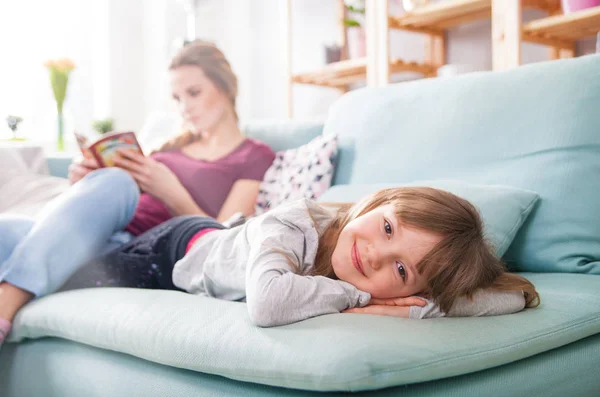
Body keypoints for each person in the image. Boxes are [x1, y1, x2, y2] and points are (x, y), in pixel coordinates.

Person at [0, 40, 275, 343]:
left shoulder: (253, 155)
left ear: (226, 88)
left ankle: (8, 298)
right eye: (177, 97)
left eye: (194, 93)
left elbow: (223, 239)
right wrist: (84, 183)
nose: (184, 107)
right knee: (7, 228)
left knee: (116, 183)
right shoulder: (168, 147)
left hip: (136, 247)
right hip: (90, 232)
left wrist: (171, 192)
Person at [3, 187, 539, 339]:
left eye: (400, 270)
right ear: (374, 204)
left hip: (190, 244)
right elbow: (266, 303)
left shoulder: (379, 277)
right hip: (165, 253)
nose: (375, 251)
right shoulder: (294, 221)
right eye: (388, 227)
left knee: (18, 235)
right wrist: (365, 295)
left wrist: (410, 308)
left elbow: (512, 297)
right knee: (112, 189)